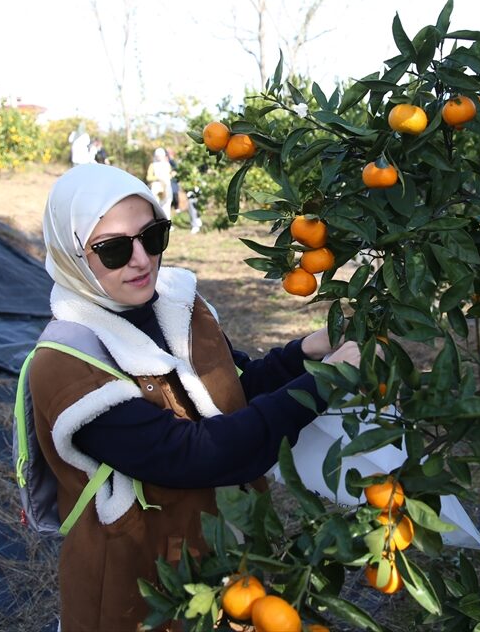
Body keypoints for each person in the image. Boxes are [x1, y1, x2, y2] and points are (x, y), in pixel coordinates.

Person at [27, 163, 355, 631]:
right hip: (137, 580)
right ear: (73, 255)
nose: (141, 259)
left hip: (223, 550)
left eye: (153, 236)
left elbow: (229, 389)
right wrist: (326, 383)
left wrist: (306, 354)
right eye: (114, 249)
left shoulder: (177, 306)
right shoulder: (66, 363)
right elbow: (191, 455)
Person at [145, 147, 174, 218]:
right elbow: (148, 177)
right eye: (157, 155)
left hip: (167, 187)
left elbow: (169, 175)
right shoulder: (152, 165)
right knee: (156, 207)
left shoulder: (167, 165)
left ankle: (167, 224)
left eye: (160, 155)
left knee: (167, 206)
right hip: (156, 188)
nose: (159, 157)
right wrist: (158, 178)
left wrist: (172, 175)